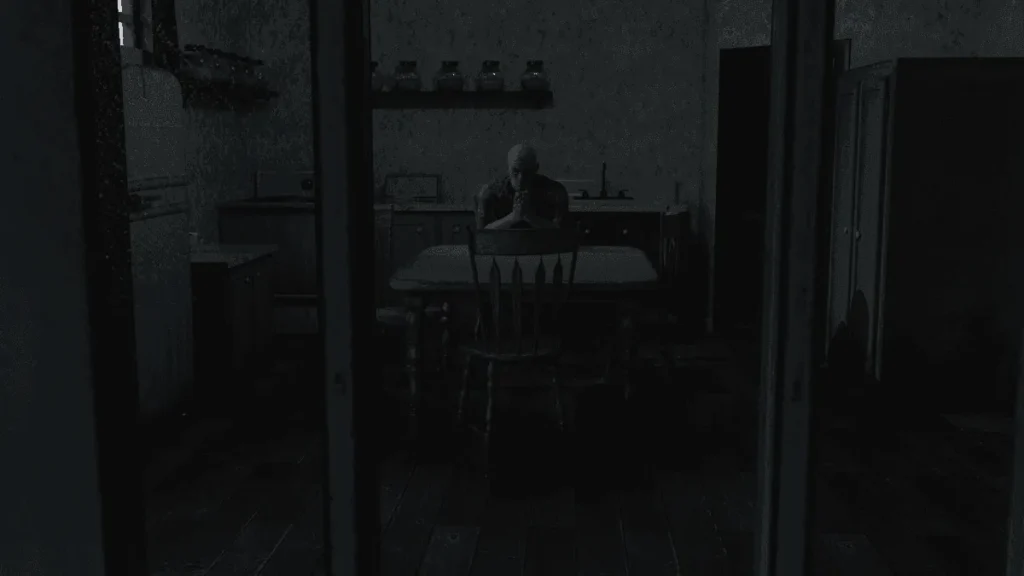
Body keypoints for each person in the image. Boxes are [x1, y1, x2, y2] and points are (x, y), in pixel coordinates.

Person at [474, 143, 570, 230]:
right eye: (515, 172)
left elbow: (564, 233)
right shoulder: (490, 193)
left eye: (527, 172)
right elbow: (482, 233)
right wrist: (513, 218)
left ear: (536, 168)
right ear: (508, 169)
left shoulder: (554, 192)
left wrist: (530, 217)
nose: (521, 179)